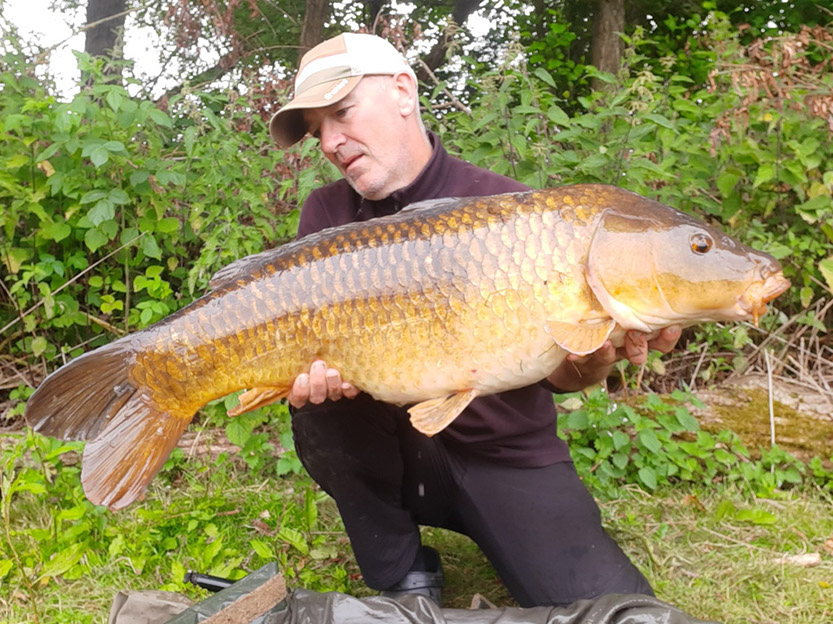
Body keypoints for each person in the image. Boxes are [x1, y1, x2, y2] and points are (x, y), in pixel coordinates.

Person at [268, 32, 681, 607]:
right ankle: (400, 570)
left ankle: (517, 530)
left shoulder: (519, 212)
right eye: (318, 130)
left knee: (608, 611)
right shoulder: (327, 215)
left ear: (404, 91)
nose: (331, 142)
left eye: (341, 113)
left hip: (508, 455)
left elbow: (562, 376)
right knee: (321, 406)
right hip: (397, 449)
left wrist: (594, 359)